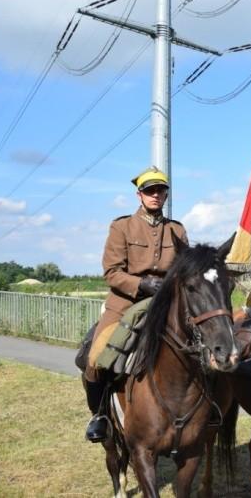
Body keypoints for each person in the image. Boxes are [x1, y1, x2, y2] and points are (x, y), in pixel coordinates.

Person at [83, 166, 188, 443]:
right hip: (126, 303)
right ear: (139, 194)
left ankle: (206, 410)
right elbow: (112, 272)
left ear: (166, 195)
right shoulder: (122, 226)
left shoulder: (176, 229)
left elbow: (184, 269)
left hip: (165, 304)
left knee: (200, 345)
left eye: (160, 190)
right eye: (149, 190)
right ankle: (101, 415)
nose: (155, 195)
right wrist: (141, 285)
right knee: (96, 357)